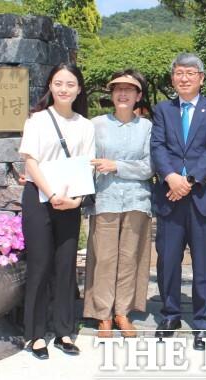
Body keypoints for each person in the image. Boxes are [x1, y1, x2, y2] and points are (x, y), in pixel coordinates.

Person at [150, 53, 206, 350]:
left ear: (201, 77)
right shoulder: (163, 110)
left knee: (205, 264)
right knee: (168, 261)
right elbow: (157, 146)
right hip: (170, 197)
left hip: (202, 197)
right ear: (172, 78)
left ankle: (204, 322)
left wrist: (189, 180)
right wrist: (171, 177)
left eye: (190, 72)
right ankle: (170, 315)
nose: (184, 78)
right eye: (179, 73)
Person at [19, 63, 95, 360]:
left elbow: (86, 165)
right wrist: (51, 194)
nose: (64, 89)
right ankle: (36, 334)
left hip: (71, 202)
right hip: (39, 200)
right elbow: (31, 162)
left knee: (66, 266)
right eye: (58, 83)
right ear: (50, 86)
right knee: (39, 265)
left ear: (78, 89)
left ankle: (64, 330)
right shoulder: (37, 120)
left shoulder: (85, 125)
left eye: (70, 84)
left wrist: (75, 200)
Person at [83, 69, 153, 338]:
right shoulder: (96, 124)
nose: (123, 93)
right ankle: (103, 314)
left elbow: (150, 167)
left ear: (138, 96)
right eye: (118, 89)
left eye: (129, 89)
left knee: (129, 258)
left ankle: (122, 312)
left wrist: (117, 165)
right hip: (106, 199)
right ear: (112, 94)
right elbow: (86, 161)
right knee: (105, 258)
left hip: (137, 200)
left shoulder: (147, 127)